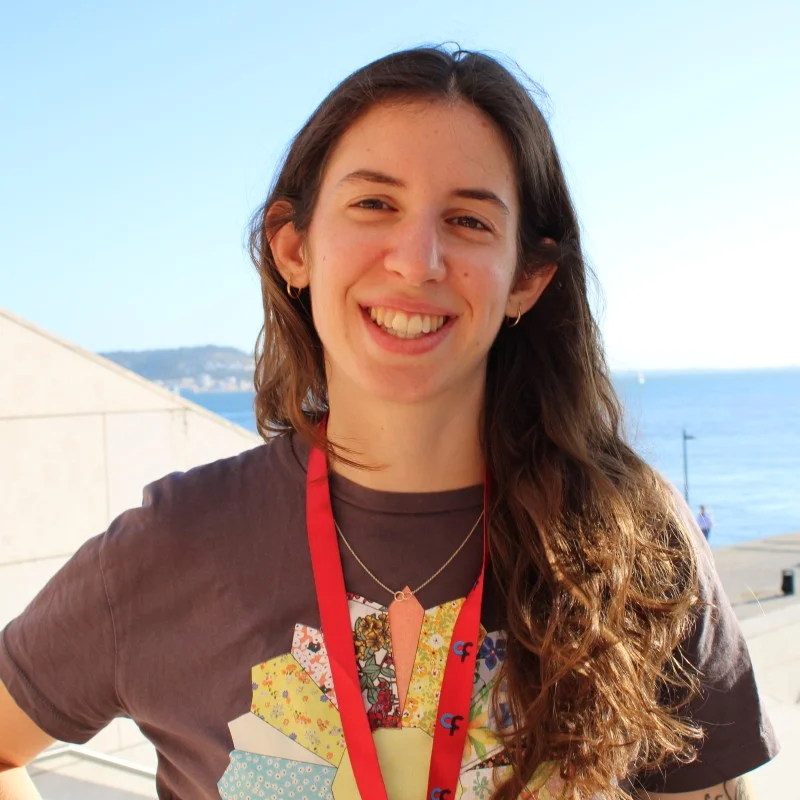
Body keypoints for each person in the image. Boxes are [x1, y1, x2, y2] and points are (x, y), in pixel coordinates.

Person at [0, 46, 777, 800]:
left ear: (527, 279)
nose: (417, 260)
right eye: (375, 204)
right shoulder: (173, 545)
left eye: (469, 220)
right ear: (294, 247)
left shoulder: (633, 542)